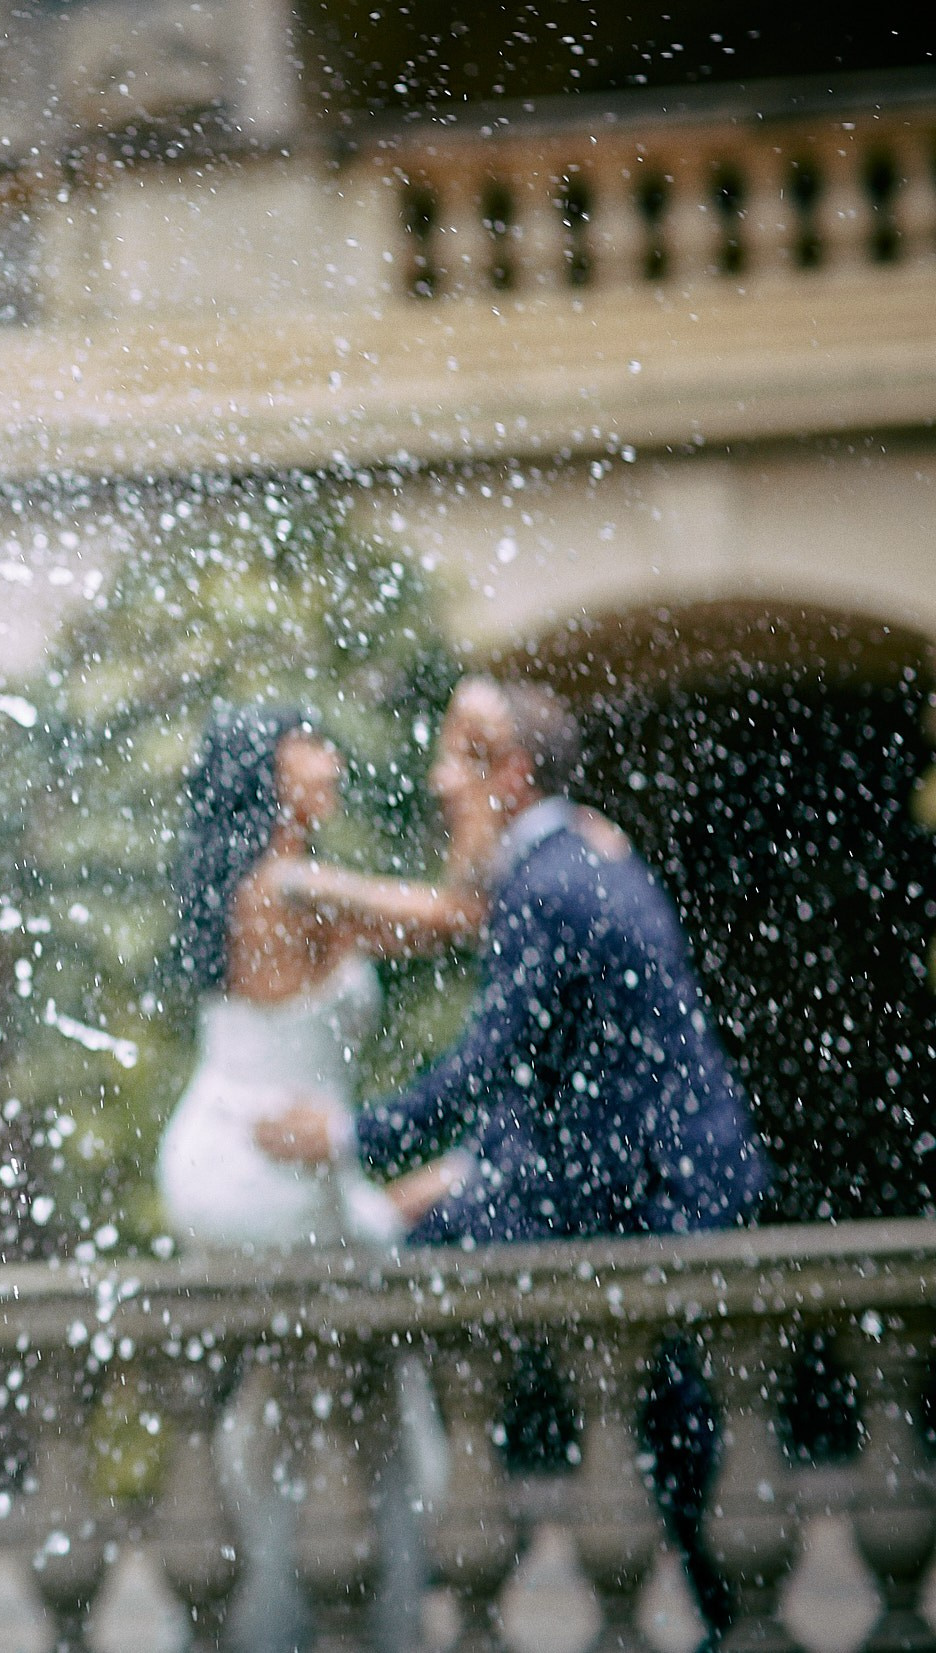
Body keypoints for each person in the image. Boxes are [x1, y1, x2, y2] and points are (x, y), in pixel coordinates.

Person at [256, 675, 771, 1634]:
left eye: (464, 758)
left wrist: (347, 1137)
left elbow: (490, 1060)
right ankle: (719, 1608)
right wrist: (474, 1167)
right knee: (676, 1420)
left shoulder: (548, 884)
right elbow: (565, 1060)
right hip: (661, 1167)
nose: (441, 779)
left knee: (671, 1415)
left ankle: (411, 1559)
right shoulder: (577, 853)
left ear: (515, 773)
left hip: (649, 1186)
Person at [156, 705, 490, 1253]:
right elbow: (458, 916)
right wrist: (476, 800)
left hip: (230, 1159)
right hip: (262, 1169)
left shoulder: (252, 889)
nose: (332, 763)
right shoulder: (293, 890)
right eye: (310, 746)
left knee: (439, 1195)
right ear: (264, 768)